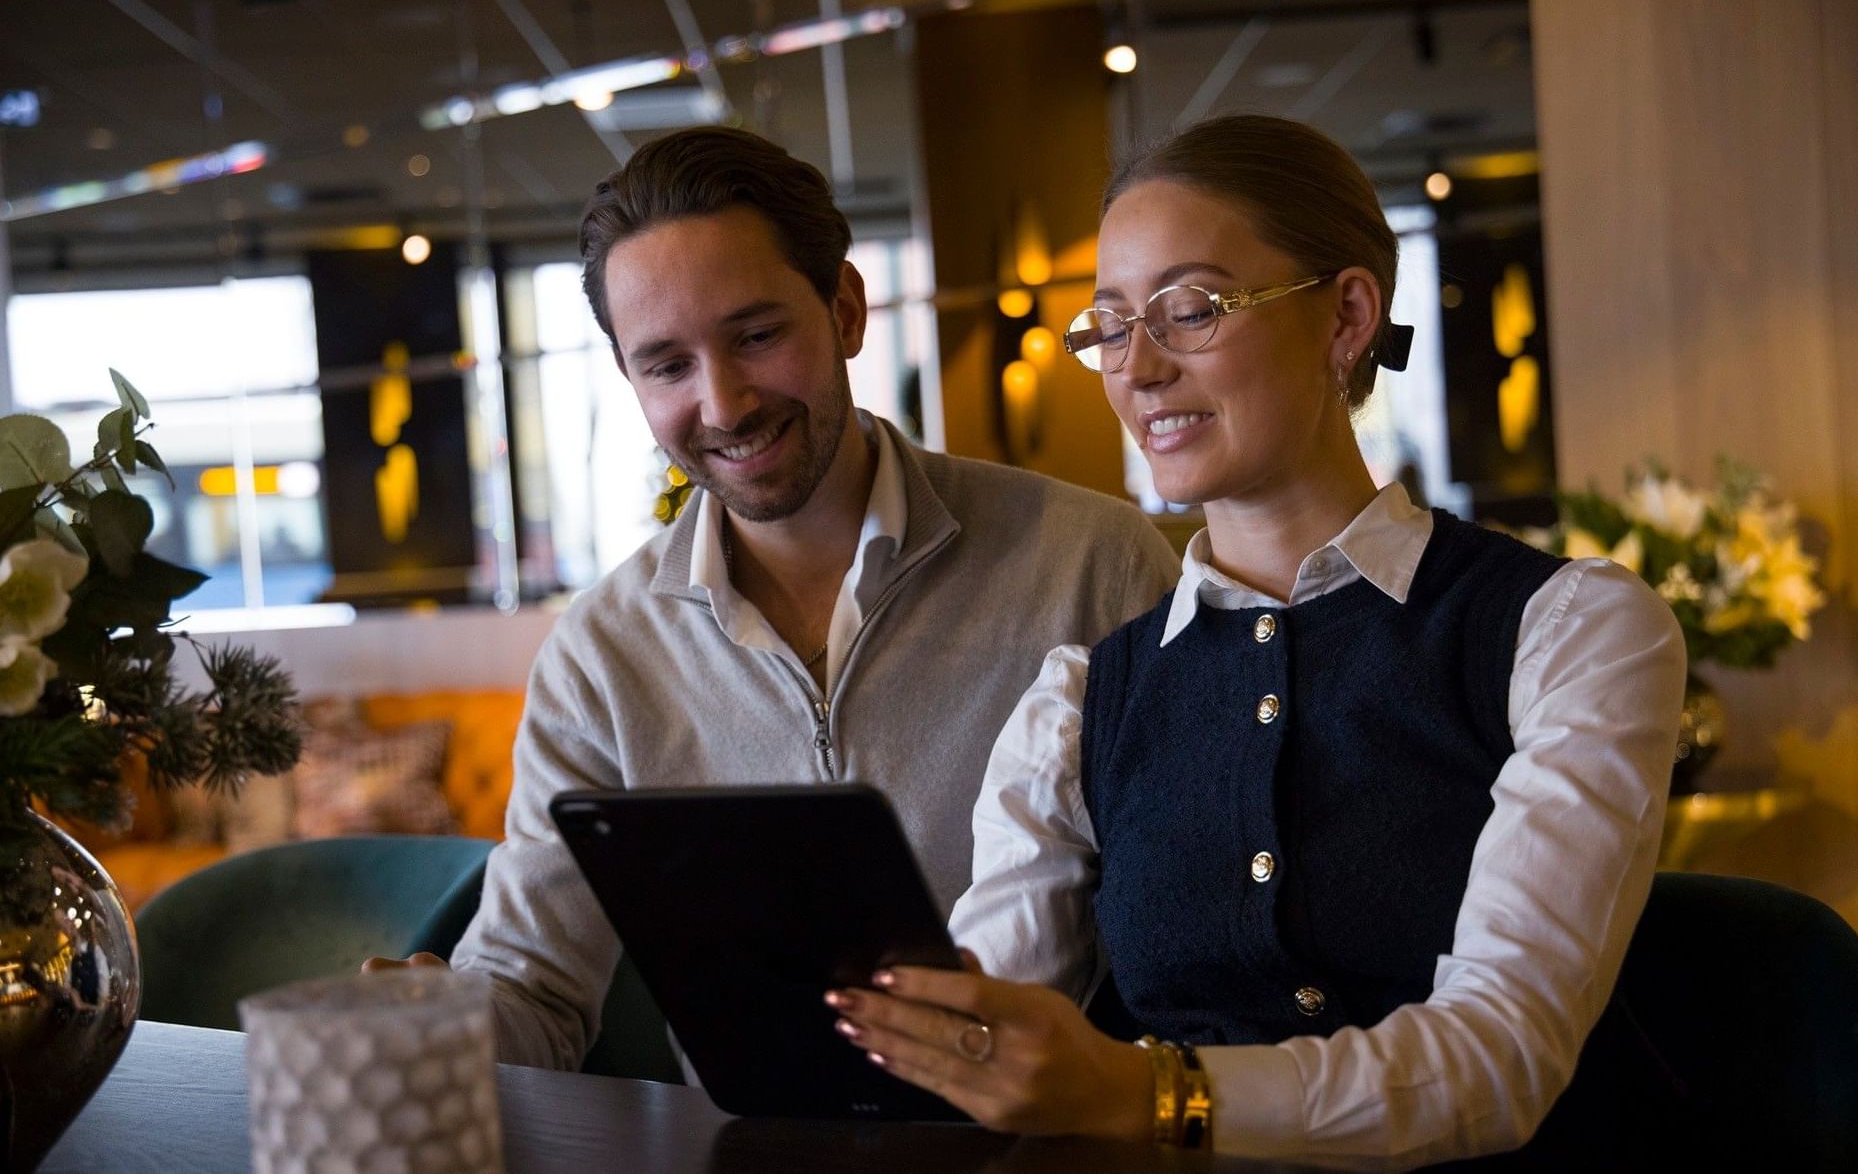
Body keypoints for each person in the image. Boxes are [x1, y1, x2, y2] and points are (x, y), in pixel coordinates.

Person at [826, 114, 1686, 1169]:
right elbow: (989, 1030)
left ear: (1346, 316)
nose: (1137, 368)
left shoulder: (1568, 629)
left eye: (1190, 311)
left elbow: (1500, 1058)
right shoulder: (1082, 700)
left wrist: (1150, 1094)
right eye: (1110, 326)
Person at [363, 126, 1181, 1072]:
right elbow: (534, 988)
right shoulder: (602, 653)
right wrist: (439, 1022)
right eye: (668, 365)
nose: (723, 404)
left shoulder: (1091, 563)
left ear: (845, 310)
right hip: (742, 1138)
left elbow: (1191, 933)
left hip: (1050, 1128)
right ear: (630, 376)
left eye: (756, 337)